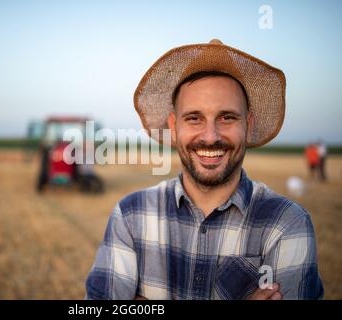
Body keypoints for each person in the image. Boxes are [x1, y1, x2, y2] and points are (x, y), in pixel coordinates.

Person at [85, 39, 323, 300]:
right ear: (174, 127)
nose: (210, 137)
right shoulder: (131, 216)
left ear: (249, 125)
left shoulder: (286, 224)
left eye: (227, 117)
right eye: (194, 118)